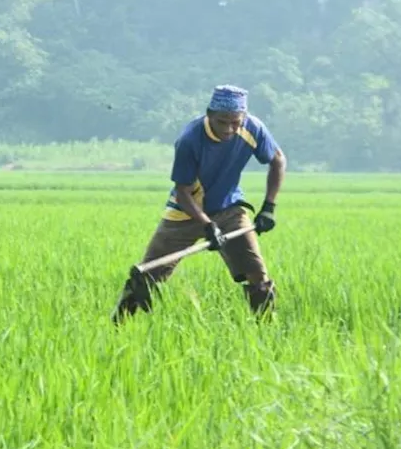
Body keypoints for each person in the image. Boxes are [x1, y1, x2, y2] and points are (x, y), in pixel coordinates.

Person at [113, 84, 286, 321]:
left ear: (243, 117)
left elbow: (277, 160)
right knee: (147, 276)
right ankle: (116, 328)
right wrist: (206, 225)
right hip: (185, 213)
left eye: (235, 122)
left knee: (257, 274)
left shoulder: (252, 128)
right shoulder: (190, 140)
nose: (229, 129)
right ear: (209, 114)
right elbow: (182, 192)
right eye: (222, 122)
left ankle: (267, 329)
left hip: (229, 210)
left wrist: (269, 207)